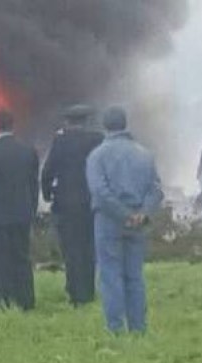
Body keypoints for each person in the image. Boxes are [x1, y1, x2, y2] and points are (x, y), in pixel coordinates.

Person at [86, 106, 164, 334]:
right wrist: (142, 213)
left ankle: (115, 329)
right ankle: (139, 328)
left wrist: (123, 214)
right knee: (134, 276)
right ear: (125, 123)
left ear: (105, 125)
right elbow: (156, 190)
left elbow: (99, 191)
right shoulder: (144, 153)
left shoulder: (97, 155)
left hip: (109, 221)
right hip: (138, 223)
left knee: (110, 275)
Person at [41, 105, 104, 306]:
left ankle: (75, 293)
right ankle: (88, 290)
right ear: (86, 121)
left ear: (68, 121)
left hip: (66, 204)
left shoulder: (61, 141)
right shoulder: (97, 139)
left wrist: (47, 193)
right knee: (88, 248)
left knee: (71, 249)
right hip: (91, 202)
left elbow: (48, 171)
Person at [0, 109, 40, 310]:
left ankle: (6, 299)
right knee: (22, 257)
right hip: (22, 214)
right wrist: (32, 208)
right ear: (13, 125)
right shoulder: (28, 150)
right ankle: (27, 300)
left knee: (0, 258)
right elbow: (33, 184)